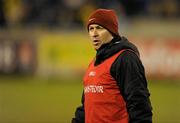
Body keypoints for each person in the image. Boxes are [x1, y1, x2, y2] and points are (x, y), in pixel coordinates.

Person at [72, 9, 152, 123]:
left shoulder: (125, 58)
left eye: (99, 28)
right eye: (91, 29)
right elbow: (86, 107)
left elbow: (139, 104)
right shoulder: (94, 63)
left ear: (112, 30)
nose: (94, 34)